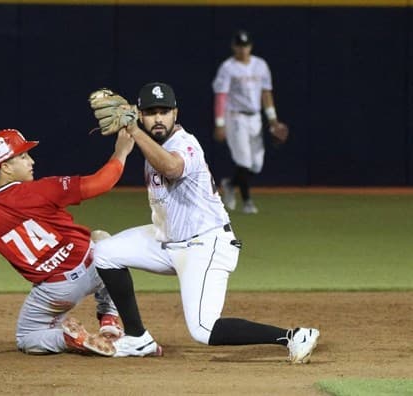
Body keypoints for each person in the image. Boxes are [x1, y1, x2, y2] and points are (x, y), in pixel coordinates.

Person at [94, 82, 319, 362]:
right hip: (167, 240)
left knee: (203, 329)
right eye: (151, 112)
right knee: (104, 253)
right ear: (140, 114)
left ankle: (294, 335)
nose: (159, 118)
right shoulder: (148, 141)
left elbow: (172, 168)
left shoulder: (185, 143)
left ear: (176, 113)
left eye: (164, 111)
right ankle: (138, 338)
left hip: (205, 244)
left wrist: (136, 132)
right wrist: (126, 142)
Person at [0, 128, 135, 358]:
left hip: (58, 292)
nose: (31, 161)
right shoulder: (42, 189)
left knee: (28, 337)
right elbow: (100, 183)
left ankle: (66, 337)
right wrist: (121, 152)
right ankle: (109, 317)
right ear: (5, 166)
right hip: (95, 268)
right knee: (104, 240)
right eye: (23, 157)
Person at [212, 30, 285, 214]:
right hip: (236, 117)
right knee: (244, 161)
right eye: (239, 45)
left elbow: (266, 93)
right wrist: (220, 123)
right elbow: (221, 95)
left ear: (250, 46)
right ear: (234, 46)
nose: (243, 49)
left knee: (256, 165)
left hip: (255, 118)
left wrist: (273, 119)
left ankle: (230, 183)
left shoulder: (260, 65)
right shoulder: (228, 67)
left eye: (245, 45)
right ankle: (247, 202)